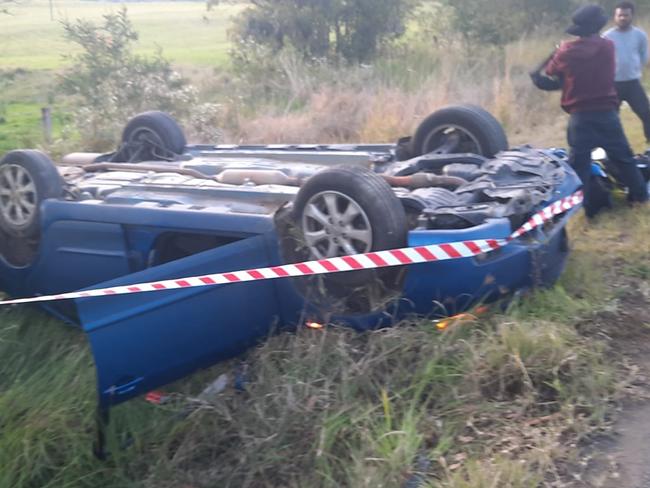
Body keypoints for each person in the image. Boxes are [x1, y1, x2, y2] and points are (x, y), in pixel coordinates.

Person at [542, 4, 648, 218]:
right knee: (624, 157)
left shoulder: (567, 51)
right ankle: (639, 197)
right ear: (598, 26)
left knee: (579, 164)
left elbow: (550, 70)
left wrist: (560, 49)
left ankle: (584, 207)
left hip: (580, 115)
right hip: (607, 112)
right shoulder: (608, 46)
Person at [603, 2, 650, 142]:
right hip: (613, 84)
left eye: (626, 15)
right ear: (615, 16)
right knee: (610, 118)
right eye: (620, 15)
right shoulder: (607, 36)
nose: (623, 18)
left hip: (633, 84)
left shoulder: (640, 35)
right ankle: (610, 147)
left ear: (631, 16)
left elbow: (644, 57)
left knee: (646, 114)